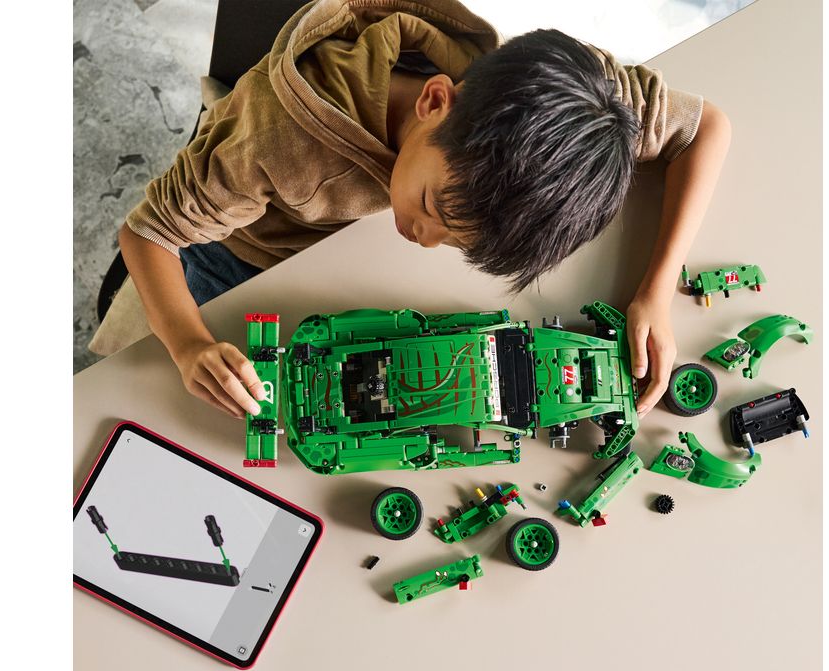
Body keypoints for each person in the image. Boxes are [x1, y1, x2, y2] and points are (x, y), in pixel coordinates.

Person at [119, 0, 731, 420]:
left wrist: (655, 291)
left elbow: (706, 128)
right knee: (183, 394)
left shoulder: (577, 106)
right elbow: (148, 234)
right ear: (435, 101)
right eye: (431, 206)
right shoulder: (278, 141)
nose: (422, 237)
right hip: (246, 253)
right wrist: (188, 345)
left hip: (342, 250)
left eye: (456, 241)